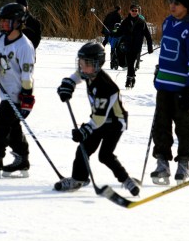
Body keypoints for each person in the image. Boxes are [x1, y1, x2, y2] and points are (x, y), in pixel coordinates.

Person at [54, 42, 139, 195]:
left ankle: (126, 180)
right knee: (83, 149)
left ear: (97, 64)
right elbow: (76, 76)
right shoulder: (88, 73)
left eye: (85, 63)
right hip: (99, 120)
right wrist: (68, 85)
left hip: (114, 124)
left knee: (105, 156)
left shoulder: (106, 87)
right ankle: (79, 179)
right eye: (80, 62)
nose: (81, 66)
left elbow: (99, 119)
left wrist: (85, 130)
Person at [151, 0, 189, 185]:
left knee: (183, 126)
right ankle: (162, 162)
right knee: (161, 125)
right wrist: (159, 71)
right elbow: (165, 51)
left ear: (186, 6)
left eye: (177, 3)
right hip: (164, 85)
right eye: (171, 2)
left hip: (182, 88)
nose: (172, 6)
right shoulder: (168, 23)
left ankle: (183, 163)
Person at [0, 2, 35, 178]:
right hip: (4, 91)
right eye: (1, 20)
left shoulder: (25, 46)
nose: (2, 24)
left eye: (6, 21)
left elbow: (27, 74)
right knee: (13, 127)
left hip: (17, 94)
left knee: (0, 124)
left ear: (18, 22)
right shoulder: (2, 39)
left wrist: (26, 97)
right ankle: (22, 159)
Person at [117, 4, 153, 88]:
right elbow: (120, 32)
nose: (134, 12)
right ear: (129, 11)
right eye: (132, 10)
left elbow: (148, 35)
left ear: (138, 12)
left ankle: (129, 79)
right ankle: (132, 78)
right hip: (128, 45)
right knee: (130, 63)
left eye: (136, 11)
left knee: (131, 62)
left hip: (137, 46)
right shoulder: (125, 21)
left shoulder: (141, 22)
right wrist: (112, 33)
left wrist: (150, 46)